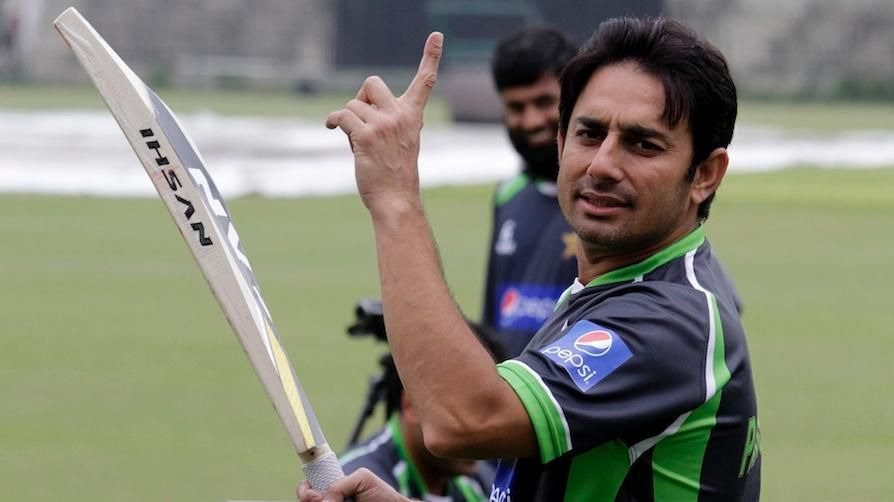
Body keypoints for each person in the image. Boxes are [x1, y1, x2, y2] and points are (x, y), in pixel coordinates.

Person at [306, 16, 761, 501]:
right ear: (562, 142)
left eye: (642, 144)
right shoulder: (607, 288)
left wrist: (395, 196)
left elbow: (462, 421)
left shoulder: (670, 318)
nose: (603, 164)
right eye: (589, 134)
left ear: (705, 174)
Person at [482, 27, 579, 359]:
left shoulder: (610, 197)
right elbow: (494, 322)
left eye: (544, 102)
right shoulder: (507, 196)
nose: (531, 121)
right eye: (516, 107)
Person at [338, 323, 504, 501]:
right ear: (413, 405)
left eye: (489, 412)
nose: (484, 432)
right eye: (467, 412)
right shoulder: (353, 485)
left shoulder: (481, 481)